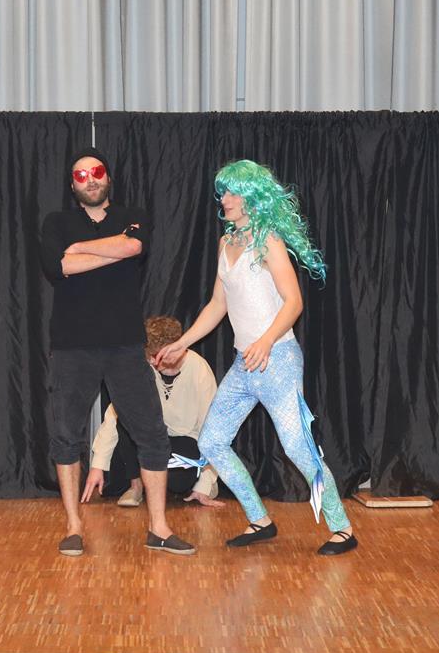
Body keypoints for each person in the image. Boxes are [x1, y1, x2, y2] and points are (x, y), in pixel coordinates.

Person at [152, 159, 357, 556]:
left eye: (232, 192)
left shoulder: (269, 241)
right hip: (244, 364)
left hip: (278, 361)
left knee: (298, 448)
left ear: (252, 196)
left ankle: (343, 528)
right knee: (212, 442)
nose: (224, 199)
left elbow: (294, 302)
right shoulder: (226, 242)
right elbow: (218, 304)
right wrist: (183, 343)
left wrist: (265, 340)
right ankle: (260, 519)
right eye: (223, 192)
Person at [38, 148, 195, 557]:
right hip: (72, 346)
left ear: (108, 177)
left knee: (152, 433)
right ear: (72, 185)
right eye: (80, 175)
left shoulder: (133, 214)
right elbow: (58, 267)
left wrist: (77, 249)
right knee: (66, 436)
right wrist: (104, 249)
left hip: (125, 344)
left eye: (96, 172)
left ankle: (159, 527)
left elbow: (132, 249)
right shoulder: (56, 222)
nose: (89, 179)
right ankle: (74, 527)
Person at [83, 316, 223, 508]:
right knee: (124, 418)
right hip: (153, 438)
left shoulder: (199, 370)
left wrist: (205, 484)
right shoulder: (144, 367)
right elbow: (113, 415)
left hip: (185, 440)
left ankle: (193, 481)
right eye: (149, 355)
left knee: (177, 484)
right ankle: (136, 486)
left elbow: (214, 431)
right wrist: (97, 466)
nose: (151, 360)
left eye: (157, 355)